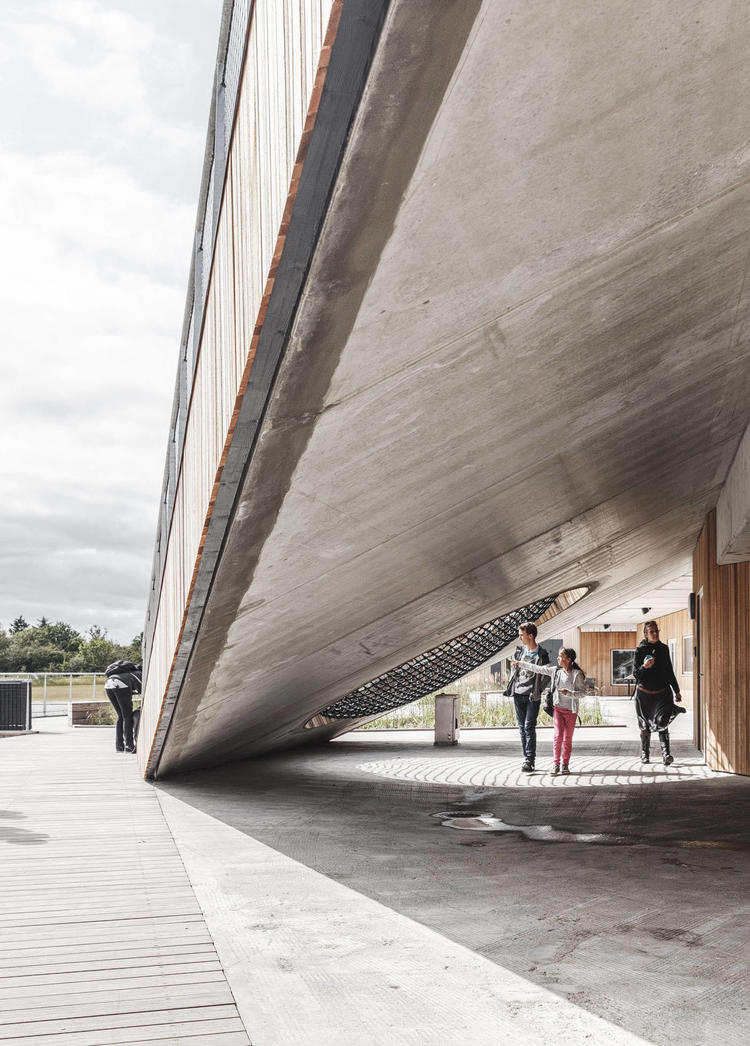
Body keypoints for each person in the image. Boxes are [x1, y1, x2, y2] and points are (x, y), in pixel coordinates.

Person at [511, 647, 587, 775]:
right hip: (558, 709)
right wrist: (520, 663)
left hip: (571, 711)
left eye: (561, 656)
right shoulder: (555, 671)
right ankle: (556, 764)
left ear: (568, 659)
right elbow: (538, 669)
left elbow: (583, 692)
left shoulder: (576, 674)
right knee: (558, 737)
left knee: (567, 739)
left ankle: (565, 764)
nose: (558, 658)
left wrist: (569, 693)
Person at [634, 621, 685, 765]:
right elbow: (635, 674)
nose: (655, 634)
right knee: (644, 725)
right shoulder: (640, 651)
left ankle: (666, 754)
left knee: (663, 722)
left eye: (656, 631)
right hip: (644, 695)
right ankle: (645, 754)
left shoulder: (664, 649)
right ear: (645, 634)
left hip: (662, 692)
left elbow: (669, 670)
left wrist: (677, 691)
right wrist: (644, 667)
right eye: (652, 631)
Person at [504, 622, 549, 772]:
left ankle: (530, 760)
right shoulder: (518, 652)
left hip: (531, 696)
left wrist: (539, 689)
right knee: (522, 728)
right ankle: (526, 759)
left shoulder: (542, 654)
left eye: (521, 635)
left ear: (530, 635)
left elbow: (547, 675)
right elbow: (514, 671)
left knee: (529, 727)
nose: (520, 638)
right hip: (518, 694)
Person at [104, 660, 142, 753]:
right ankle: (129, 746)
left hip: (109, 683)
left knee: (120, 716)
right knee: (127, 716)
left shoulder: (129, 672)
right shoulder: (143, 675)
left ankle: (119, 746)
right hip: (121, 684)